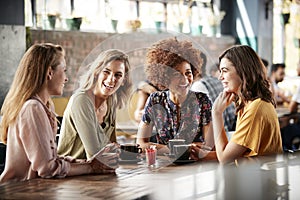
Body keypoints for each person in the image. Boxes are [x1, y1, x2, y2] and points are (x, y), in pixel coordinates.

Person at [0, 43, 119, 183]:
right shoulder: (32, 108)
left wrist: (86, 163)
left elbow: (51, 159)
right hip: (18, 192)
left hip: (36, 189)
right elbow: (47, 168)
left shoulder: (45, 107)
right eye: (64, 70)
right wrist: (91, 167)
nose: (66, 78)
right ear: (50, 73)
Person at [190, 45, 283, 164]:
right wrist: (205, 155)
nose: (220, 77)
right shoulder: (248, 104)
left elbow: (225, 158)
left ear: (242, 70)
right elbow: (236, 154)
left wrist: (216, 113)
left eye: (225, 70)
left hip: (259, 179)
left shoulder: (256, 108)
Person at [136, 37, 213, 155]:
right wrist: (176, 150)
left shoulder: (202, 101)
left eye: (188, 73)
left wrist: (163, 148)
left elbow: (210, 145)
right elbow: (141, 143)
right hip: (163, 166)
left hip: (195, 166)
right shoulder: (155, 100)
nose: (185, 80)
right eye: (177, 74)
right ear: (165, 77)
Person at [57, 49, 133, 159]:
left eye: (118, 75)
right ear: (97, 72)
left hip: (97, 173)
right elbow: (95, 156)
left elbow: (112, 148)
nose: (111, 80)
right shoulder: (81, 100)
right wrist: (111, 151)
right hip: (71, 172)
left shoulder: (111, 101)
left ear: (124, 80)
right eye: (106, 72)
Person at [191, 61, 236, 132]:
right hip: (231, 133)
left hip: (219, 137)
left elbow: (197, 124)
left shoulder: (197, 87)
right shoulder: (217, 81)